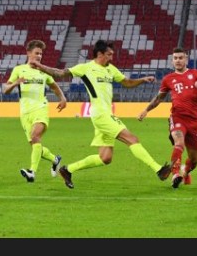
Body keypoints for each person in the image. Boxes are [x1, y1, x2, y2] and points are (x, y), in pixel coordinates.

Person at [29, 39, 171, 188]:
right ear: (100, 54)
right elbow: (60, 73)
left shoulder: (111, 69)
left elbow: (127, 82)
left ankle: (68, 170)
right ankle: (158, 170)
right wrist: (39, 66)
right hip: (100, 114)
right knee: (132, 139)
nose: (112, 57)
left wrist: (142, 80)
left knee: (105, 157)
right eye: (109, 54)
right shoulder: (86, 68)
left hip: (105, 114)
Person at [137, 45, 197, 188]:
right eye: (175, 58)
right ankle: (175, 174)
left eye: (180, 58)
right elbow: (159, 98)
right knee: (179, 142)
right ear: (172, 61)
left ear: (186, 59)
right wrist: (146, 110)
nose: (178, 60)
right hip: (178, 117)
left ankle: (185, 171)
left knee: (194, 160)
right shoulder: (168, 79)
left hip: (194, 121)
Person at [3, 39, 67, 183]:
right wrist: (15, 83)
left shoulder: (43, 71)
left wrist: (62, 98)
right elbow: (5, 90)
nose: (39, 56)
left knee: (35, 136)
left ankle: (32, 172)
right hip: (25, 113)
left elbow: (54, 86)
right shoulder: (19, 70)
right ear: (28, 53)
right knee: (35, 143)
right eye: (36, 53)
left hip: (41, 108)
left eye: (41, 54)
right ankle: (55, 159)